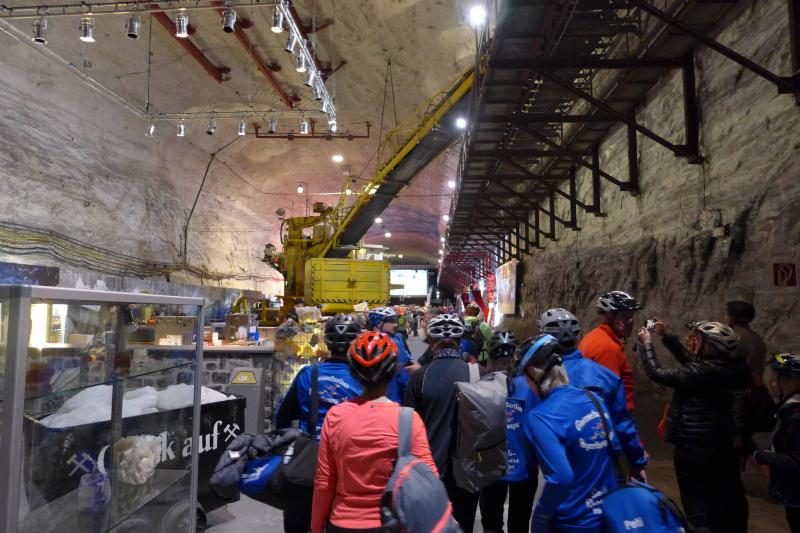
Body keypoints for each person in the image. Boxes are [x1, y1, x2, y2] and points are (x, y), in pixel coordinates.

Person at [311, 331, 438, 533]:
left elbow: (324, 482)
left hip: (343, 522)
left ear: (353, 372)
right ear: (393, 372)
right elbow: (430, 478)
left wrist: (316, 526)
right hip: (393, 523)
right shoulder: (408, 419)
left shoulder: (336, 416)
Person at [637, 321, 750, 533]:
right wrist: (667, 337)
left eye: (701, 340)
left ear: (712, 347)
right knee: (717, 498)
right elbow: (692, 365)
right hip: (720, 444)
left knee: (696, 503)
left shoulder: (701, 372)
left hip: (693, 447)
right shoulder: (734, 369)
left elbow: (657, 373)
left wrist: (646, 344)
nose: (696, 342)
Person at [516, 334, 621, 532]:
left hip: (573, 523)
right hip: (608, 516)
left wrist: (540, 519)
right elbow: (614, 449)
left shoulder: (541, 417)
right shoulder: (595, 400)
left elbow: (561, 477)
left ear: (533, 372)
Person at [274, 314, 363, 533]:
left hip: (308, 462)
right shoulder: (364, 379)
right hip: (348, 464)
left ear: (327, 342)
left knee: (299, 519)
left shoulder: (308, 374)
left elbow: (282, 417)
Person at [538, 307, 647, 479]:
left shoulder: (540, 379)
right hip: (602, 458)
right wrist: (637, 460)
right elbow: (622, 421)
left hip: (563, 462)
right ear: (577, 337)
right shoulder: (605, 376)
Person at [404, 313, 481, 532]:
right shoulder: (477, 373)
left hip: (431, 468)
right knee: (464, 524)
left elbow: (408, 427)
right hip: (468, 468)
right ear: (460, 341)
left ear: (431, 342)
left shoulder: (420, 377)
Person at [478, 331, 539, 533]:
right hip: (525, 467)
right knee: (519, 524)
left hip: (491, 467)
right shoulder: (530, 386)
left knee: (491, 525)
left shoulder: (481, 386)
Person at [754, 353, 800, 532]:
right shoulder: (788, 409)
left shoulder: (796, 417)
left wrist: (762, 456)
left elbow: (796, 461)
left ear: (791, 385)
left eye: (774, 379)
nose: (771, 383)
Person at [578, 290, 642, 412]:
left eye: (632, 316)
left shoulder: (598, 336)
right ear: (609, 316)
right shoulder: (607, 347)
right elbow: (609, 394)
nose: (631, 322)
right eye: (625, 316)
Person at [366, 307, 417, 400]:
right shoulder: (394, 342)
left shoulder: (363, 340)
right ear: (379, 323)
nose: (395, 324)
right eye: (391, 321)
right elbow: (403, 375)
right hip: (393, 396)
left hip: (368, 397)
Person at [725, 300, 767, 375]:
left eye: (727, 315)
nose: (725, 318)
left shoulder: (731, 338)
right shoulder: (758, 339)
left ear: (732, 318)